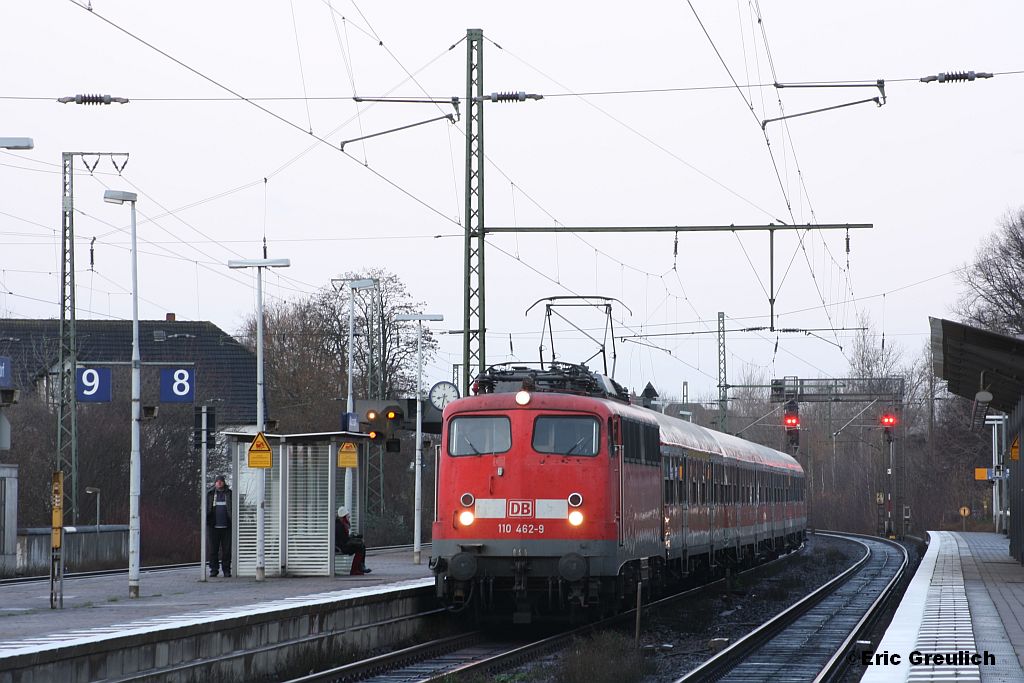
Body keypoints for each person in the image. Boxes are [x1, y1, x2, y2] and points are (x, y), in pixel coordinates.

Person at [206, 474, 232, 577]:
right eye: (217, 481)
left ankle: (226, 570)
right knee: (213, 550)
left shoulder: (229, 494)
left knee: (227, 550)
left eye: (221, 481)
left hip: (227, 526)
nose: (219, 482)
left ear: (224, 482)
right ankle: (214, 569)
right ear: (215, 483)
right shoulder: (210, 494)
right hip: (213, 527)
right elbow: (205, 508)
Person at [334, 506, 370, 574]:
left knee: (361, 545)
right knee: (360, 547)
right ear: (344, 516)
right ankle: (355, 569)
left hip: (342, 545)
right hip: (341, 547)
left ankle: (360, 567)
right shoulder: (339, 526)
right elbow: (344, 541)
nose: (349, 517)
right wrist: (355, 541)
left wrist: (354, 538)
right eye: (347, 515)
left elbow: (345, 539)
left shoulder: (341, 524)